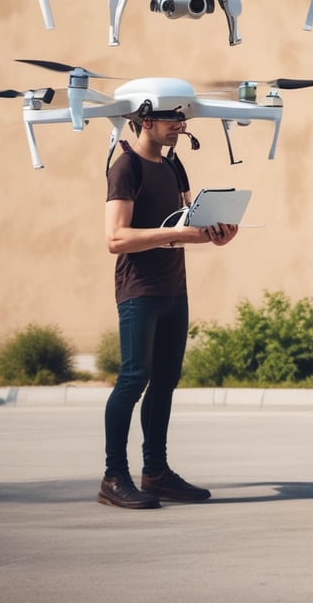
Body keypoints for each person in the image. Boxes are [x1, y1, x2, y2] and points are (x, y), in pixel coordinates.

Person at [98, 106, 238, 509]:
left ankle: (155, 472)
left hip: (175, 290)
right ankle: (113, 477)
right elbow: (115, 238)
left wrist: (212, 234)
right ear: (146, 122)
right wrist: (181, 233)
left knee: (164, 382)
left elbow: (184, 223)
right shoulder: (126, 167)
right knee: (132, 379)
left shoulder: (175, 167)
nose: (180, 127)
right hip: (138, 289)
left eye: (182, 121)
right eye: (171, 121)